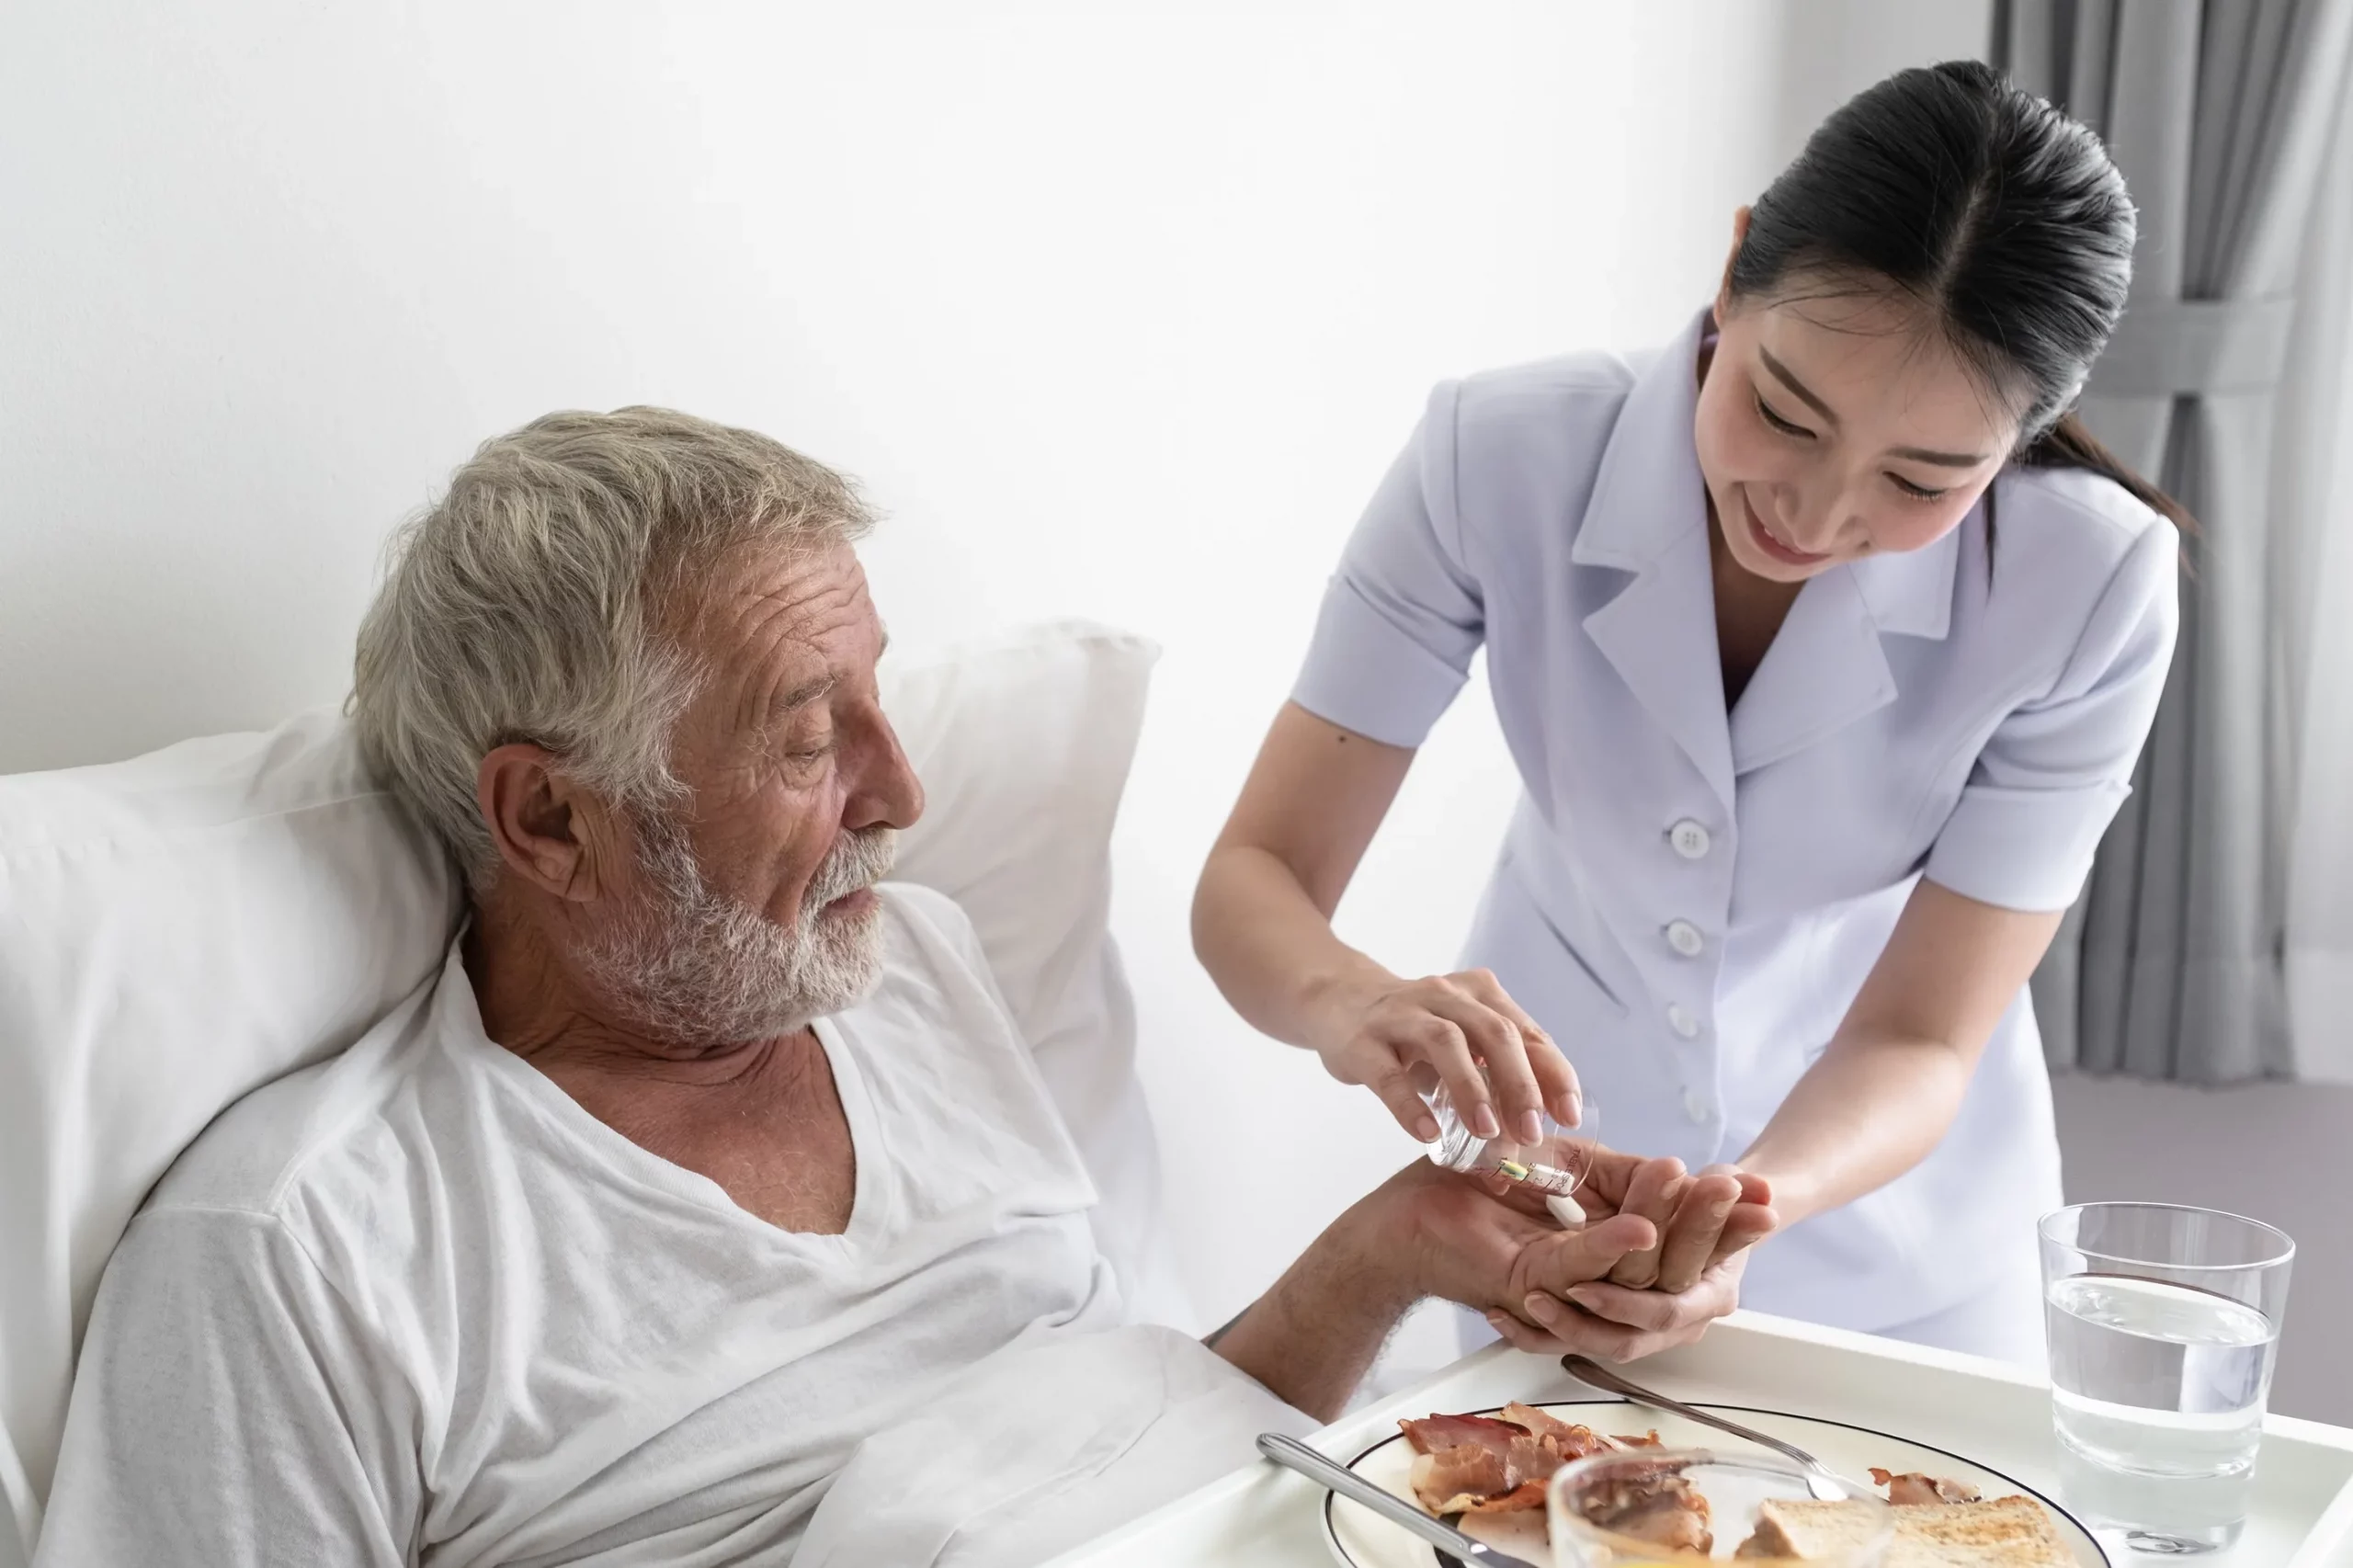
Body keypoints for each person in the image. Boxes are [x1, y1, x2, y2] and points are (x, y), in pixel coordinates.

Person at [36, 408, 1772, 1567]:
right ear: (549, 817)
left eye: (882, 703)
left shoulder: (910, 975)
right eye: (812, 738)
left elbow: (1110, 1461)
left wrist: (1397, 1250)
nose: (900, 791)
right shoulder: (311, 1248)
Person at [1194, 60, 2186, 1367]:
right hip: (1548, 1223)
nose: (1816, 515)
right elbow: (1255, 874)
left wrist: (1739, 1211)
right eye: (1784, 410)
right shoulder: (1496, 457)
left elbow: (1924, 1034)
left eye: (1921, 478)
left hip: (1906, 1266)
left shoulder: (2093, 584)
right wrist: (1351, 1001)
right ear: (1733, 272)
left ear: (2022, 444)